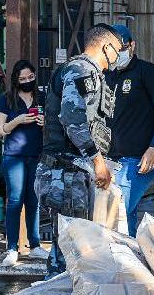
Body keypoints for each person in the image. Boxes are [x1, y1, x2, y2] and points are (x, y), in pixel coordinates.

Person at [37, 24, 124, 276]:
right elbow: (72, 119)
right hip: (65, 172)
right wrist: (98, 163)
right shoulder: (80, 70)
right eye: (117, 51)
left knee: (72, 246)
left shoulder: (86, 71)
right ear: (105, 47)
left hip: (71, 171)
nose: (118, 57)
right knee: (71, 249)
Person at [105, 25, 154, 237]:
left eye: (122, 48)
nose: (118, 54)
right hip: (110, 159)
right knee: (126, 217)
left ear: (132, 45)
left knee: (116, 216)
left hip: (137, 160)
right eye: (114, 50)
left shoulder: (148, 73)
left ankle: (121, 262)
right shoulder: (106, 75)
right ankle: (129, 262)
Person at [0, 60, 50, 266]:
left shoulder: (42, 98)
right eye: (22, 79)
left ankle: (35, 246)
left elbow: (54, 128)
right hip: (14, 156)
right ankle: (12, 248)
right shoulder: (6, 99)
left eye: (30, 77)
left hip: (36, 155)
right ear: (16, 80)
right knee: (15, 200)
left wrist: (45, 124)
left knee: (34, 200)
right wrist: (17, 121)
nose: (27, 81)